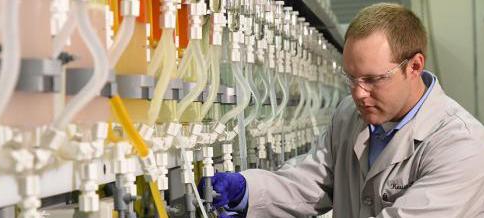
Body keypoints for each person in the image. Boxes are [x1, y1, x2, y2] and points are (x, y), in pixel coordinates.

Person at [200, 3, 484, 217]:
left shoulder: (463, 145)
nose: (358, 93)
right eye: (351, 78)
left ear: (414, 66)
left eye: (372, 79)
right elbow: (313, 182)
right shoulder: (351, 115)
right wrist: (247, 190)